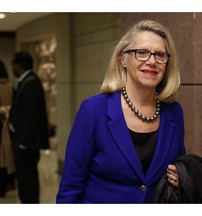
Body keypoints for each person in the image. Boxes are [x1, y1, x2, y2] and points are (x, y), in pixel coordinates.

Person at [56, 20, 186, 203]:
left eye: (160, 55)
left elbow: (180, 169)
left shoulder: (174, 113)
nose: (151, 61)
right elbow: (70, 190)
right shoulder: (93, 110)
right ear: (122, 59)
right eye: (141, 52)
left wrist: (181, 178)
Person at [9, 51, 50, 203]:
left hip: (27, 144)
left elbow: (31, 117)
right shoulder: (26, 81)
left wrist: (23, 143)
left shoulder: (30, 83)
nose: (12, 68)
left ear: (19, 65)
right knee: (25, 181)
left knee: (28, 182)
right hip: (23, 142)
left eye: (13, 65)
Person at [0, 59, 15, 197]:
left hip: (1, 122)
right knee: (6, 155)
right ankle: (7, 183)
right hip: (9, 123)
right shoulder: (11, 86)